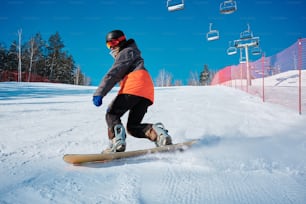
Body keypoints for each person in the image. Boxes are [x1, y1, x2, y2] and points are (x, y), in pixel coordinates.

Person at [93, 30, 172, 153]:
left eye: (113, 43)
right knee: (133, 127)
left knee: (112, 114)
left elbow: (113, 74)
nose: (112, 47)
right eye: (108, 45)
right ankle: (159, 134)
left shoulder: (126, 52)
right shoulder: (133, 53)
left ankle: (117, 142)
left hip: (134, 86)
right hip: (146, 92)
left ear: (122, 40)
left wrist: (99, 93)